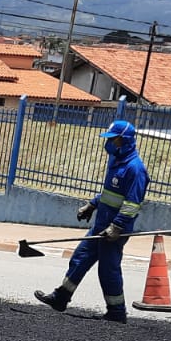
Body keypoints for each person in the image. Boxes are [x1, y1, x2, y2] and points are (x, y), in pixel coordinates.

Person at [34, 119, 149, 323]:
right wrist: (92, 205)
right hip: (101, 224)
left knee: (108, 270)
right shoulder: (117, 162)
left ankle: (116, 312)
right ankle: (61, 297)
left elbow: (132, 203)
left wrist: (116, 226)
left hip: (114, 230)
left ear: (125, 140)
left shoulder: (135, 169)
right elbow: (109, 193)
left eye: (113, 140)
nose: (109, 143)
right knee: (80, 257)